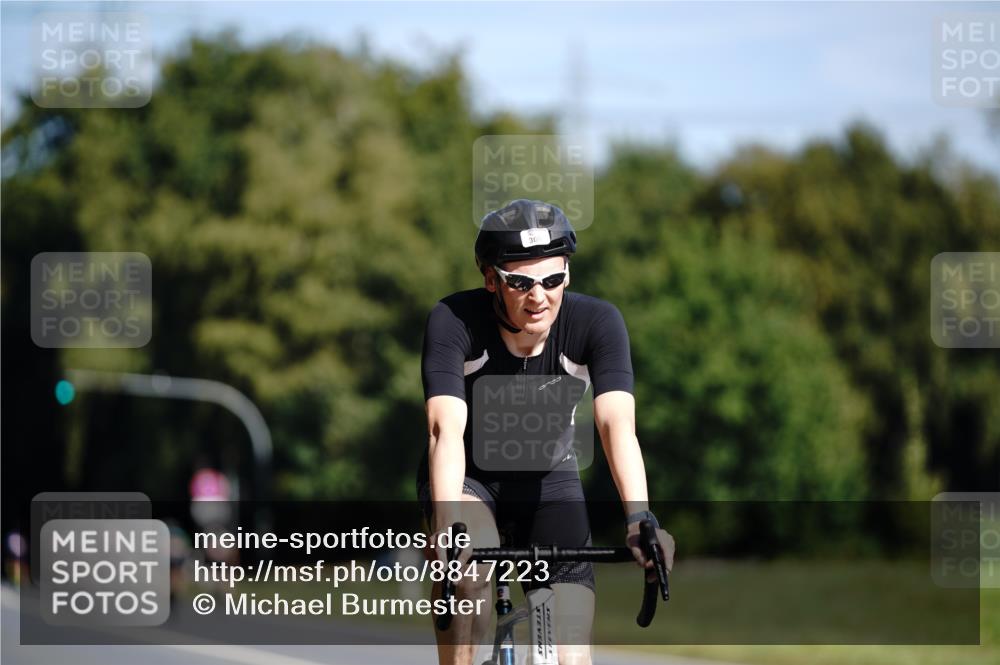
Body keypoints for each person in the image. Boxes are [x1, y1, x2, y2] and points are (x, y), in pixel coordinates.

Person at [417, 199, 675, 665]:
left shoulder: (597, 323)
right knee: (469, 567)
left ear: (568, 276)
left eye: (552, 280)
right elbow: (444, 430)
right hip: (471, 481)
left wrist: (641, 518)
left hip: (550, 483)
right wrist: (446, 521)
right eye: (521, 282)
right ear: (492, 279)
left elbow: (617, 426)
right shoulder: (454, 321)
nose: (539, 296)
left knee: (571, 654)